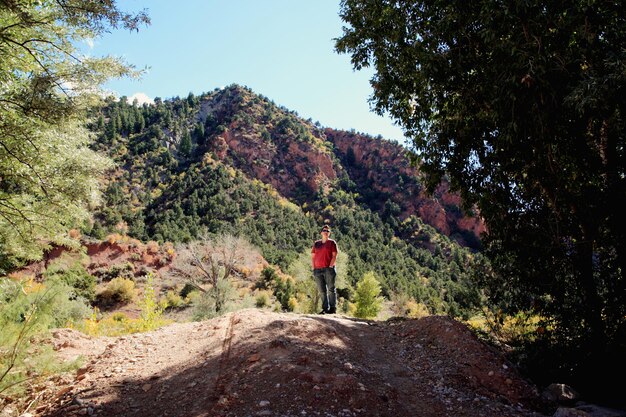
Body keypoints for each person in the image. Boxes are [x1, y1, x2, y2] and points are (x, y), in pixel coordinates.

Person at [311, 225, 338, 314]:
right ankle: (325, 309)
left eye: (327, 231)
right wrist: (313, 268)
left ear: (329, 233)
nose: (326, 232)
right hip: (317, 270)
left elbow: (334, 256)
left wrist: (330, 266)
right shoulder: (317, 243)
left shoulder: (332, 243)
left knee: (331, 289)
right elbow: (313, 257)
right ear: (321, 232)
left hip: (328, 269)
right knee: (322, 290)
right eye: (324, 230)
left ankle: (332, 309)